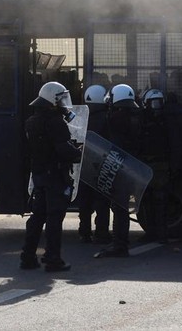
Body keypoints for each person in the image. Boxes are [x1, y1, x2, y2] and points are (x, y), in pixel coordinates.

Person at [20, 81, 82, 272]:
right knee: (54, 217)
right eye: (61, 99)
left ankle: (28, 257)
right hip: (55, 175)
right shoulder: (55, 122)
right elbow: (62, 149)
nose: (64, 103)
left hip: (39, 174)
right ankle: (53, 258)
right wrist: (80, 153)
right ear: (52, 101)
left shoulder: (32, 121)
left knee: (37, 217)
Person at [95, 83, 141, 258]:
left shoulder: (115, 120)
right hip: (131, 169)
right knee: (121, 207)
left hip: (118, 168)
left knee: (119, 208)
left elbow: (110, 143)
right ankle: (121, 242)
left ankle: (119, 245)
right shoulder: (136, 118)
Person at [76, 84, 112, 244]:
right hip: (101, 164)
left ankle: (84, 231)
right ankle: (101, 232)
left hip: (85, 164)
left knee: (85, 200)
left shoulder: (81, 117)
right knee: (102, 201)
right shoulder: (107, 118)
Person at [138, 89, 172, 243]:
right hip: (155, 167)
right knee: (154, 202)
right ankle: (158, 234)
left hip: (154, 167)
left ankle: (156, 233)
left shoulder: (149, 122)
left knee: (155, 202)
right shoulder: (164, 121)